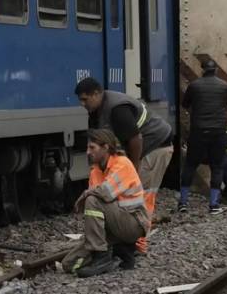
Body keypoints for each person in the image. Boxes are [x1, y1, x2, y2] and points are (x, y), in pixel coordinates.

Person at [74, 77, 173, 253]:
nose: (82, 104)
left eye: (85, 99)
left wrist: (132, 169)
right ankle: (121, 240)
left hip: (155, 146)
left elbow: (136, 139)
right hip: (141, 147)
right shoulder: (96, 110)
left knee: (142, 194)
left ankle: (139, 244)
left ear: (96, 94)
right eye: (80, 100)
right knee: (123, 195)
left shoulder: (117, 109)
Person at [62, 129, 150, 277]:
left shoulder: (122, 163)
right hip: (113, 226)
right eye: (87, 148)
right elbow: (94, 205)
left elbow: (104, 193)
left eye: (92, 148)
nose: (88, 152)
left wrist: (85, 194)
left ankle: (102, 257)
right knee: (68, 264)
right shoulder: (95, 171)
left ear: (106, 147)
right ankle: (119, 251)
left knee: (92, 199)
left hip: (133, 223)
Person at [179, 59, 227, 214]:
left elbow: (185, 104)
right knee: (217, 167)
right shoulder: (224, 86)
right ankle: (214, 205)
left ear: (202, 70)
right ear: (216, 70)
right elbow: (226, 102)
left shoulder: (194, 86)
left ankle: (183, 203)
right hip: (218, 132)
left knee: (190, 165)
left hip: (198, 131)